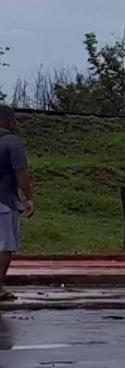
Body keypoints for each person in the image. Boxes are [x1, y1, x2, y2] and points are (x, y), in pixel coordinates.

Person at [0, 105, 34, 301]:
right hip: (4, 201)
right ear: (9, 121)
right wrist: (29, 197)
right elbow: (20, 172)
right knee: (4, 245)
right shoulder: (12, 142)